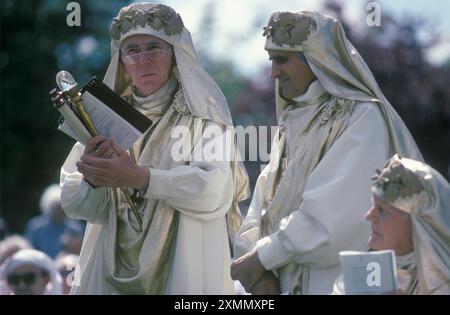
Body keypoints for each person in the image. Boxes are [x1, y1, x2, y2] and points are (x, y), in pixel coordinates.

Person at [59, 3, 249, 294]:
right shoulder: (105, 119)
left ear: (175, 55)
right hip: (107, 269)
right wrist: (93, 177)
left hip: (183, 266)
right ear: (122, 62)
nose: (144, 60)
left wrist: (140, 177)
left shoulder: (203, 117)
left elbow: (215, 190)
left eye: (154, 48)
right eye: (132, 50)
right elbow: (75, 206)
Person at [231, 10, 423, 295]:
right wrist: (258, 275)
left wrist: (262, 257)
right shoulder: (293, 117)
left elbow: (332, 219)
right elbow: (264, 202)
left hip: (333, 282)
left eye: (282, 59)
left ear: (317, 58)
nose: (273, 73)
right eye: (271, 60)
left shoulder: (362, 117)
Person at [334, 154, 450, 294]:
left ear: (418, 224)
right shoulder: (366, 272)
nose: (369, 216)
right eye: (373, 206)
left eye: (382, 210)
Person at [25, 184, 84, 258]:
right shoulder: (36, 227)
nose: (60, 211)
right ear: (48, 207)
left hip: (67, 266)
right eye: (56, 207)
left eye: (62, 207)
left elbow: (81, 252)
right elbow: (29, 250)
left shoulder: (74, 228)